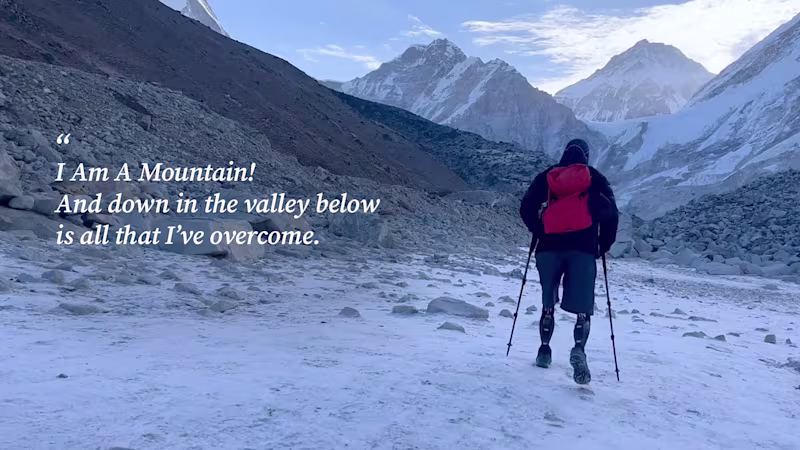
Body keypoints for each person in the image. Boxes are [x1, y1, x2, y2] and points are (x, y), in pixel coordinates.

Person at [519, 138, 619, 385]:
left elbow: (526, 206)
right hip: (582, 251)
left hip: (548, 249)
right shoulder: (595, 178)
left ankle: (544, 350)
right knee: (583, 309)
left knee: (548, 302)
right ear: (586, 155)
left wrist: (540, 228)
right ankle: (578, 349)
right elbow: (611, 215)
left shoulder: (548, 177)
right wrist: (601, 246)